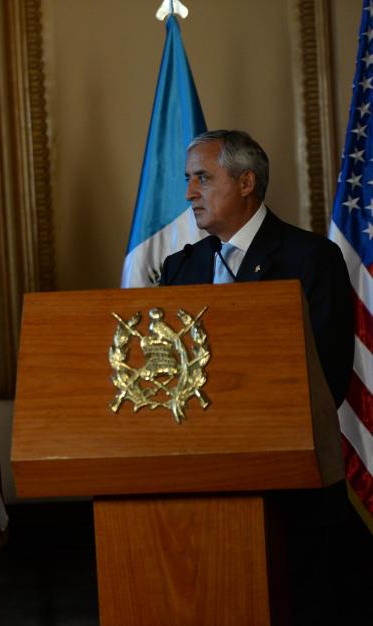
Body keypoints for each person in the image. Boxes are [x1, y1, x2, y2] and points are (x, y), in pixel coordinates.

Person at [161, 129, 369, 625]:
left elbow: (327, 374)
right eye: (189, 179)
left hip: (290, 497)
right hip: (200, 496)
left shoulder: (310, 259)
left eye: (203, 178)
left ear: (246, 181)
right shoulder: (180, 269)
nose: (190, 192)